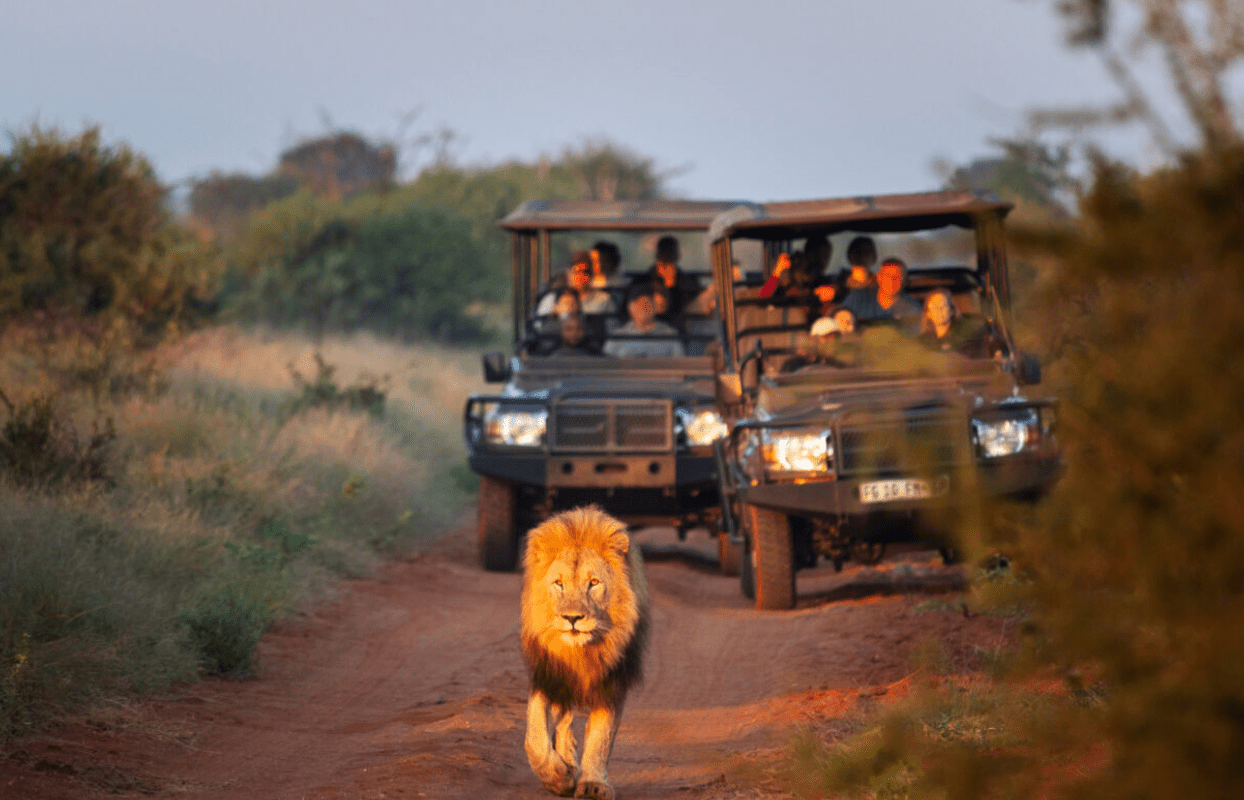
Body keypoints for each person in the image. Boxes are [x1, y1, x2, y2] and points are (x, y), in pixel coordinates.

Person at [602, 282, 685, 358]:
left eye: (647, 304)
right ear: (630, 308)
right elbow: (607, 367)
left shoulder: (670, 334)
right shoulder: (617, 337)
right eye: (637, 304)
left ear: (655, 306)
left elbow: (680, 365)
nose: (642, 308)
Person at [917, 288, 1002, 357]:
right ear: (928, 313)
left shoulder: (968, 335)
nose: (939, 311)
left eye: (943, 306)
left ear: (951, 310)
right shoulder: (923, 342)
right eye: (935, 307)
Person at [840, 257, 921, 323]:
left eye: (897, 277)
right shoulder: (857, 299)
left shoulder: (913, 308)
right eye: (887, 276)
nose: (891, 281)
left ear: (905, 281)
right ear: (879, 278)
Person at [645, 235, 702, 316]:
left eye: (669, 254)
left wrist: (670, 284)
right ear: (679, 256)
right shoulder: (643, 282)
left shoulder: (687, 282)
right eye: (664, 254)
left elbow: (690, 307)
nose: (667, 259)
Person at [536, 251, 594, 316]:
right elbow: (539, 323)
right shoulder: (552, 299)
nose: (581, 275)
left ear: (592, 274)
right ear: (568, 273)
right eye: (577, 271)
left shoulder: (604, 300)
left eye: (586, 272)